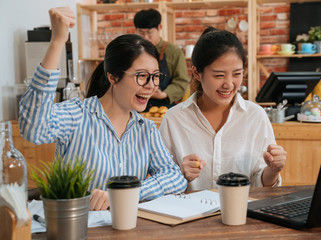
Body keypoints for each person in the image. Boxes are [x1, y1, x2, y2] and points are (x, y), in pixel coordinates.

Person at [18, 7, 187, 210]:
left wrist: (127, 193)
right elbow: (34, 129)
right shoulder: (77, 115)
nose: (151, 86)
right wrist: (57, 43)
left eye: (155, 76)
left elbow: (175, 177)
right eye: (142, 76)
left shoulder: (146, 129)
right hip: (77, 226)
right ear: (113, 77)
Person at [159, 28, 287, 191]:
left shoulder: (255, 116)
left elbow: (260, 186)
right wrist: (179, 175)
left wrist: (273, 170)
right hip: (189, 215)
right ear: (197, 73)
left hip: (242, 213)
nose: (229, 84)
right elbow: (161, 185)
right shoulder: (174, 119)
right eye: (219, 75)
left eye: (237, 74)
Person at [133, 8, 190, 111]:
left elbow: (182, 81)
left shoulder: (174, 52)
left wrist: (164, 94)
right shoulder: (132, 51)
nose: (145, 37)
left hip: (164, 109)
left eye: (149, 32)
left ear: (160, 27)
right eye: (141, 33)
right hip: (135, 107)